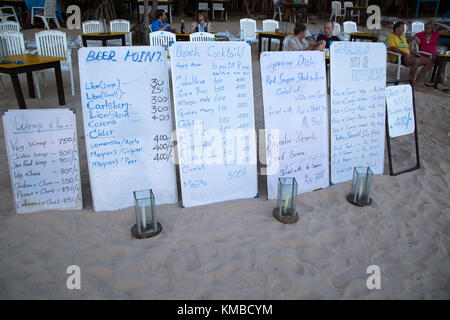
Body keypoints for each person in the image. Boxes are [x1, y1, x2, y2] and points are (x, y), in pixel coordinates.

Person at [386, 21, 432, 86]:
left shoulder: (402, 37)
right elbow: (393, 48)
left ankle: (418, 80)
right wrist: (405, 54)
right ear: (396, 28)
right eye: (402, 28)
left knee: (429, 61)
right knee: (415, 61)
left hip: (408, 56)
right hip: (399, 57)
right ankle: (411, 81)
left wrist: (415, 53)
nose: (403, 30)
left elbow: (408, 48)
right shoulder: (390, 37)